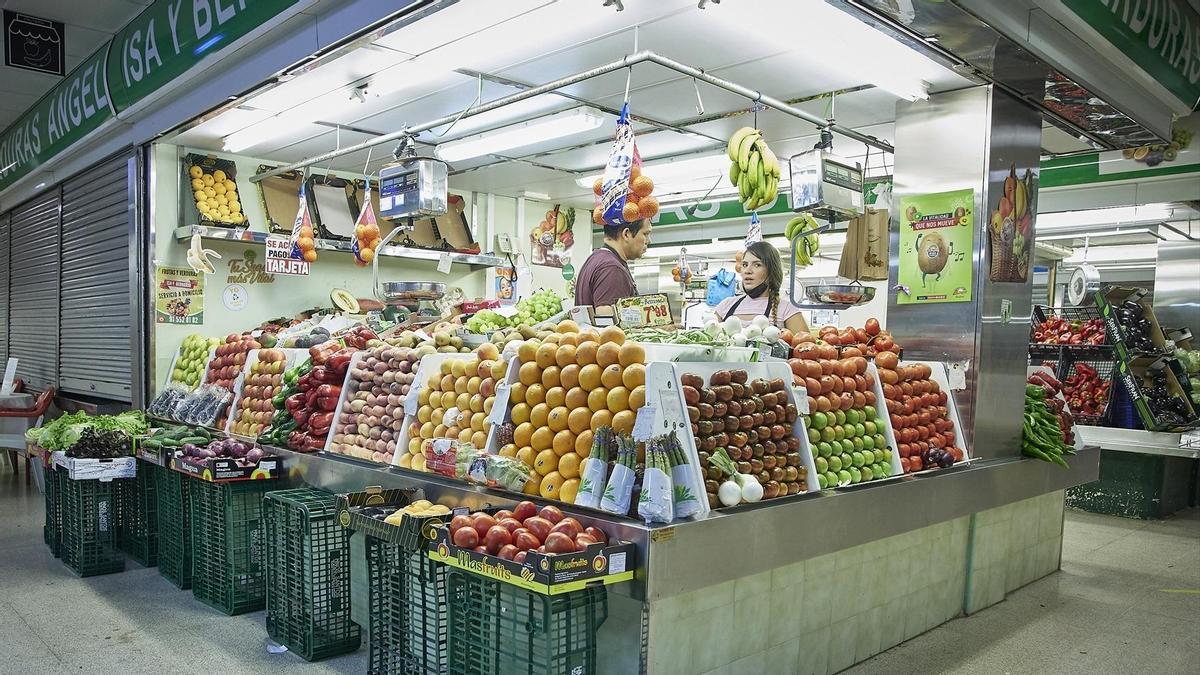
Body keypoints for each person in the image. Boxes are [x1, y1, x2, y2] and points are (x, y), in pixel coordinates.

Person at [714, 240, 810, 333]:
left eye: (757, 265)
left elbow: (804, 342)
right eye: (745, 265)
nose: (748, 270)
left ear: (772, 271)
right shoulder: (725, 305)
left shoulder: (786, 309)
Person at [574, 218, 652, 314]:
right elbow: (606, 319)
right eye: (645, 234)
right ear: (626, 234)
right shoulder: (611, 268)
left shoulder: (596, 258)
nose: (649, 241)